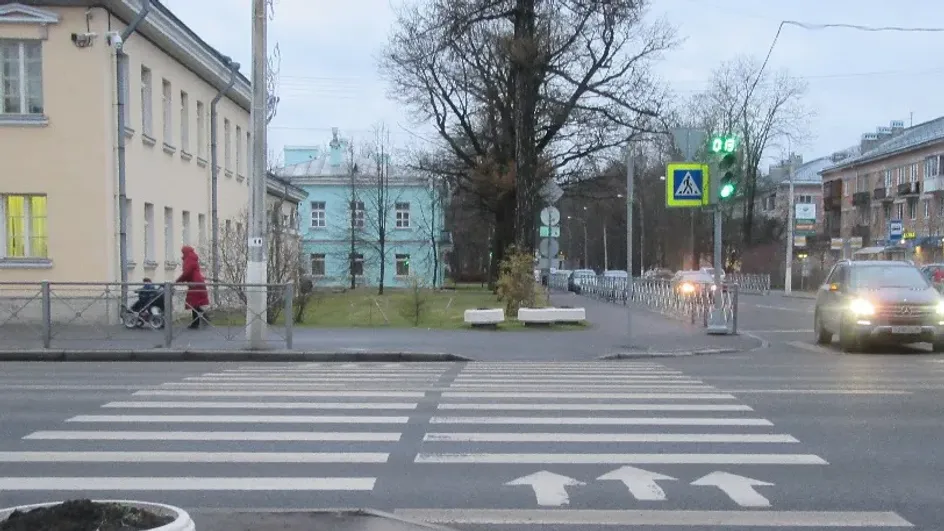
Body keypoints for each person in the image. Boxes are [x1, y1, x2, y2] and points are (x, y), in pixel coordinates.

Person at [176, 246, 210, 329]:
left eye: (183, 252)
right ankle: (198, 321)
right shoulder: (192, 258)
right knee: (195, 304)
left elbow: (186, 273)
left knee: (194, 304)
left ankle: (199, 321)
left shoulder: (189, 259)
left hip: (195, 284)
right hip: (197, 282)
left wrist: (178, 280)